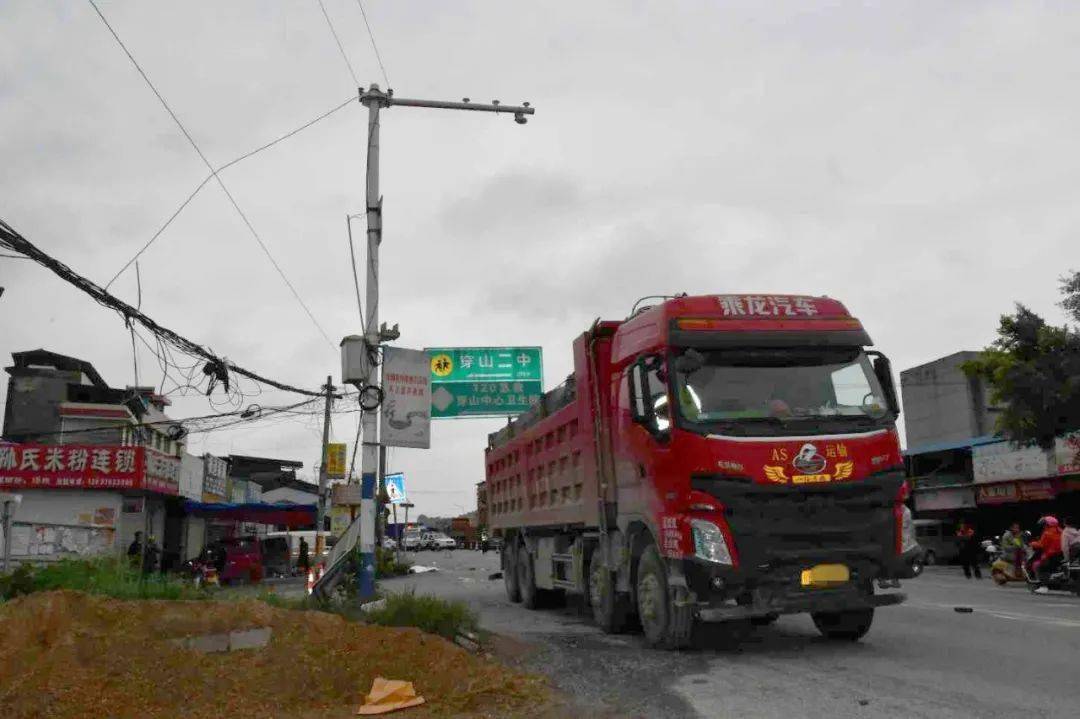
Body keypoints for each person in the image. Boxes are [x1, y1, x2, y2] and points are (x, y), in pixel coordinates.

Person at [1029, 516, 1062, 590]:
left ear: (1047, 524)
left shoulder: (1047, 533)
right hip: (1059, 556)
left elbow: (1041, 545)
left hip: (1050, 555)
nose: (1043, 526)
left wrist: (1032, 543)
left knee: (1038, 566)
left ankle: (1043, 586)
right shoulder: (1060, 531)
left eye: (1044, 524)